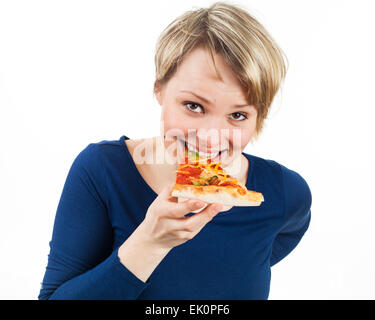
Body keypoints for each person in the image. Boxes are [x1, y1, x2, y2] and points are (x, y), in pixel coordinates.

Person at [38, 2, 312, 300]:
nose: (210, 138)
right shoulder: (101, 171)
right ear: (159, 89)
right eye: (194, 106)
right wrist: (149, 243)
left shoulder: (285, 193)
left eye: (237, 116)